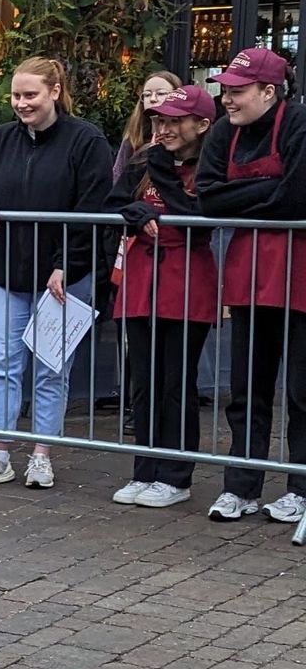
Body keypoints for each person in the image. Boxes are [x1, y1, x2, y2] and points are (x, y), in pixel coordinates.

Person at [0, 56, 113, 490]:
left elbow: (91, 211)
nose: (21, 104)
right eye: (15, 96)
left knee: (50, 367)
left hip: (63, 277)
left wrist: (66, 264)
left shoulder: (87, 140)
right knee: (2, 366)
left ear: (55, 92)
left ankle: (42, 453)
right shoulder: (2, 139)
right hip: (8, 272)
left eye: (30, 95)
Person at [195, 48, 306, 526]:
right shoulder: (223, 132)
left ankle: (301, 487)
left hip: (299, 276)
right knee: (246, 389)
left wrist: (247, 201)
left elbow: (297, 197)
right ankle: (242, 486)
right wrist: (270, 190)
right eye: (225, 90)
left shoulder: (298, 123)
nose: (227, 100)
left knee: (302, 391)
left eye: (238, 91)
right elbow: (208, 197)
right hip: (247, 277)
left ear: (269, 91)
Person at [107, 85, 217, 508]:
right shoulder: (145, 160)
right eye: (159, 120)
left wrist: (164, 174)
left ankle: (176, 473)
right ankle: (145, 468)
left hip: (186, 278)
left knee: (176, 381)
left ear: (201, 125)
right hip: (141, 277)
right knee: (144, 380)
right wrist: (132, 211)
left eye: (174, 121)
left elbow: (198, 217)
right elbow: (113, 201)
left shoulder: (208, 166)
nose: (163, 128)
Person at [113, 70, 182, 182]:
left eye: (160, 93)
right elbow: (117, 175)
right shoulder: (134, 135)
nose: (152, 99)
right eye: (147, 95)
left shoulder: (183, 136)